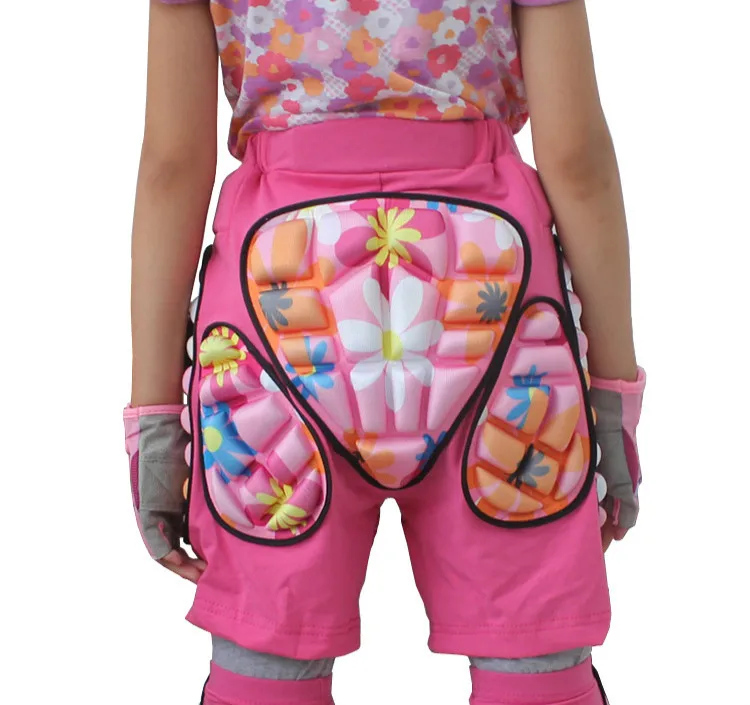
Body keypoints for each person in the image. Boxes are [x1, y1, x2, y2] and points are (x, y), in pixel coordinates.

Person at [123, 1, 646, 703]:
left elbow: (171, 166)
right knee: (534, 663)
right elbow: (576, 158)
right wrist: (612, 395)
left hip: (277, 299)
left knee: (266, 667)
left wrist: (155, 424)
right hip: (490, 293)